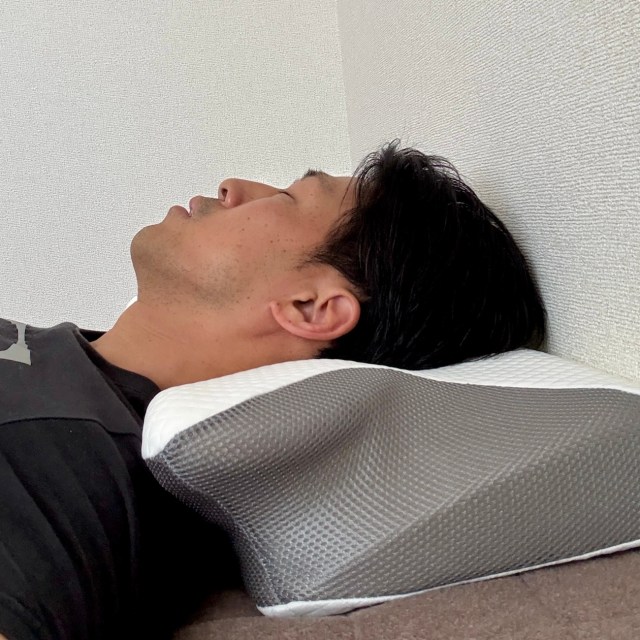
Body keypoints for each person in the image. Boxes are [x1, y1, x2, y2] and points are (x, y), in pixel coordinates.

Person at [0, 139, 545, 639]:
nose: (231, 188)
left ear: (311, 307)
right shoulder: (64, 376)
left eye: (287, 197)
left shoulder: (68, 460)